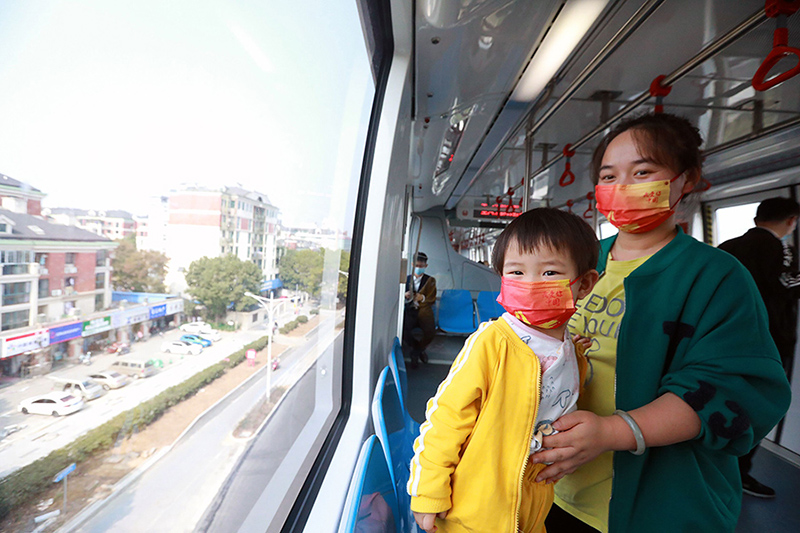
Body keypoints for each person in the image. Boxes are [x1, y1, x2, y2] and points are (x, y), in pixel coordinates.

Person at [531, 113, 791, 533]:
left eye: (643, 172)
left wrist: (612, 432)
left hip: (662, 503)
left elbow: (732, 386)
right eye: (609, 175)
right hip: (558, 491)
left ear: (686, 180)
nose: (622, 187)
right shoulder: (573, 261)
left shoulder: (715, 277)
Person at [407, 208, 600, 533]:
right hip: (474, 511)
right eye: (516, 273)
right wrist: (427, 491)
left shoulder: (569, 351)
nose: (531, 283)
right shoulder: (492, 342)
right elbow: (446, 418)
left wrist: (576, 353)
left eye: (550, 272)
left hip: (532, 506)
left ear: (584, 284)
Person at [718, 196, 800, 498]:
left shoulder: (726, 248)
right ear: (791, 221)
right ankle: (739, 473)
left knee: (723, 401)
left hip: (725, 341)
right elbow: (788, 284)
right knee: (759, 406)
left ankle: (716, 463)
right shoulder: (779, 248)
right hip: (769, 341)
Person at [403, 252, 437, 368]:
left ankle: (415, 352)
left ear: (426, 266)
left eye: (421, 266)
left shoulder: (430, 280)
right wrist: (405, 295)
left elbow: (431, 298)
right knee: (403, 330)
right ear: (412, 264)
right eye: (417, 265)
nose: (419, 268)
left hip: (424, 311)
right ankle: (418, 349)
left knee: (430, 332)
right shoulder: (406, 280)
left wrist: (421, 298)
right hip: (410, 310)